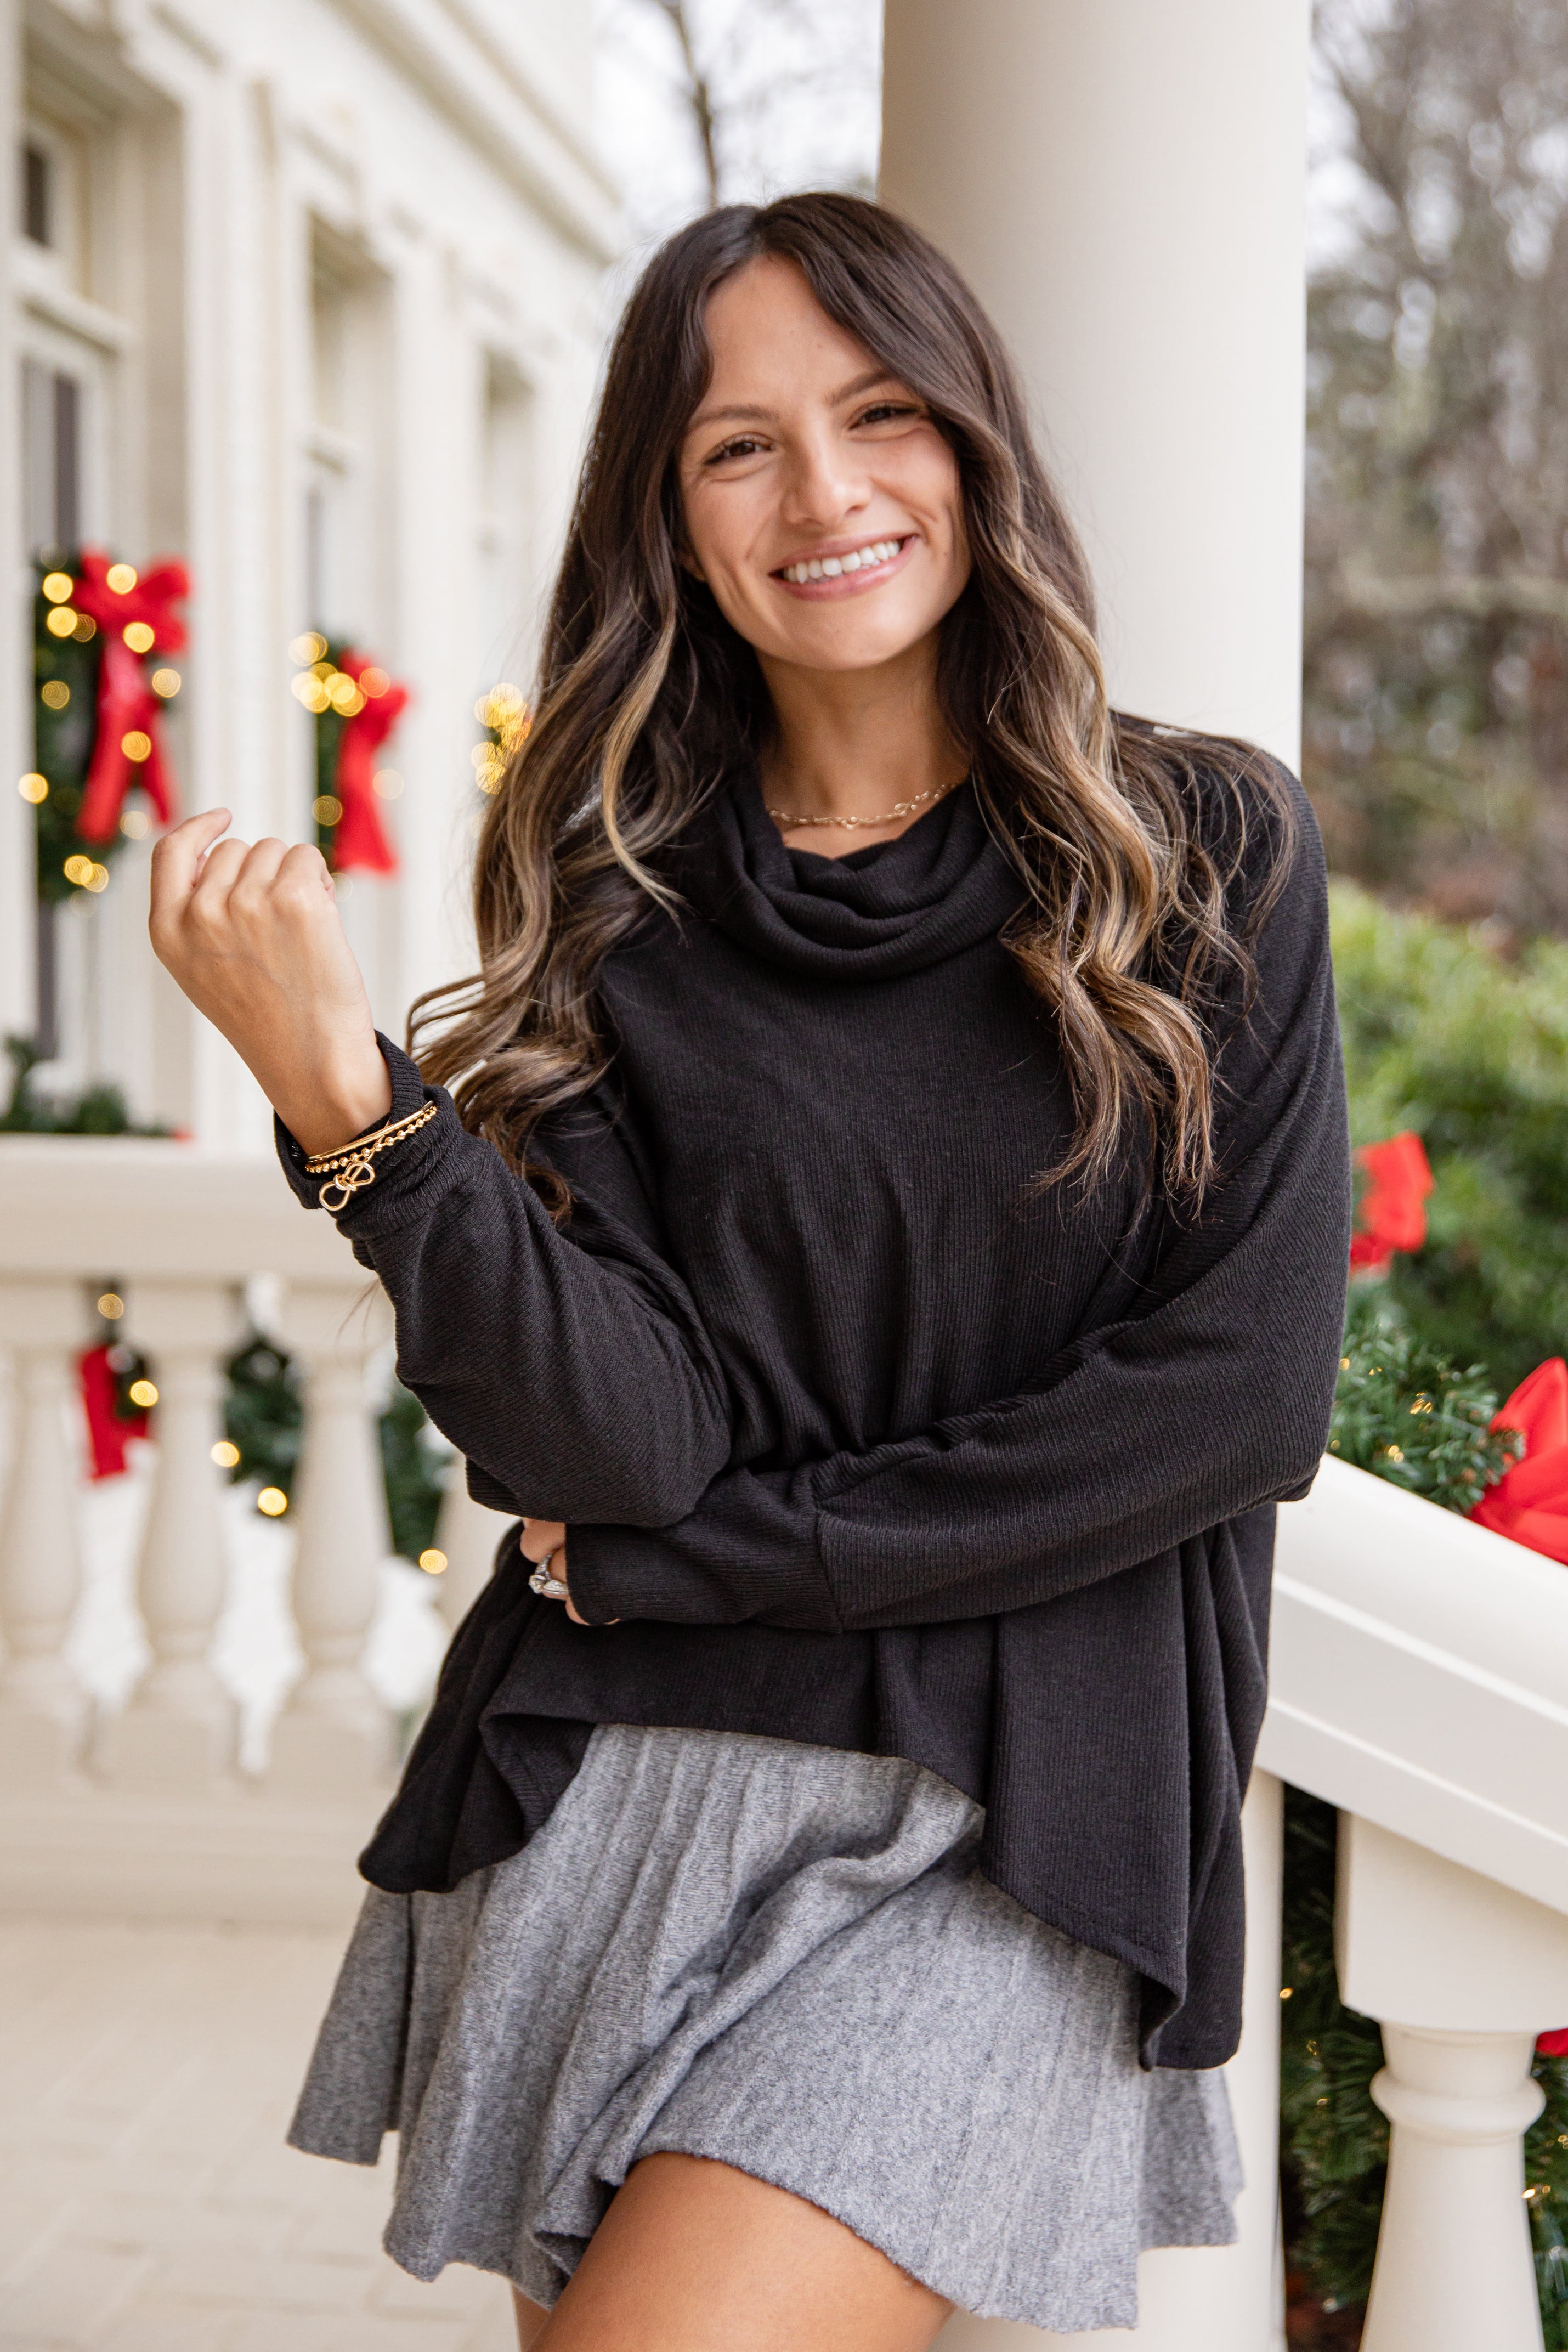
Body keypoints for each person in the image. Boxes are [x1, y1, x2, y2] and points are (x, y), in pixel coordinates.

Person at [149, 193, 1350, 2352]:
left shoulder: (1208, 852)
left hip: (1015, 1819)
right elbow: (614, 1433)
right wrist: (349, 1087)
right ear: (668, 513)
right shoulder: (617, 898)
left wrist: (724, 1553)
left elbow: (1231, 1402)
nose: (826, 493)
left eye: (879, 413)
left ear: (971, 444)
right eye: (739, 445)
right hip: (627, 1773)